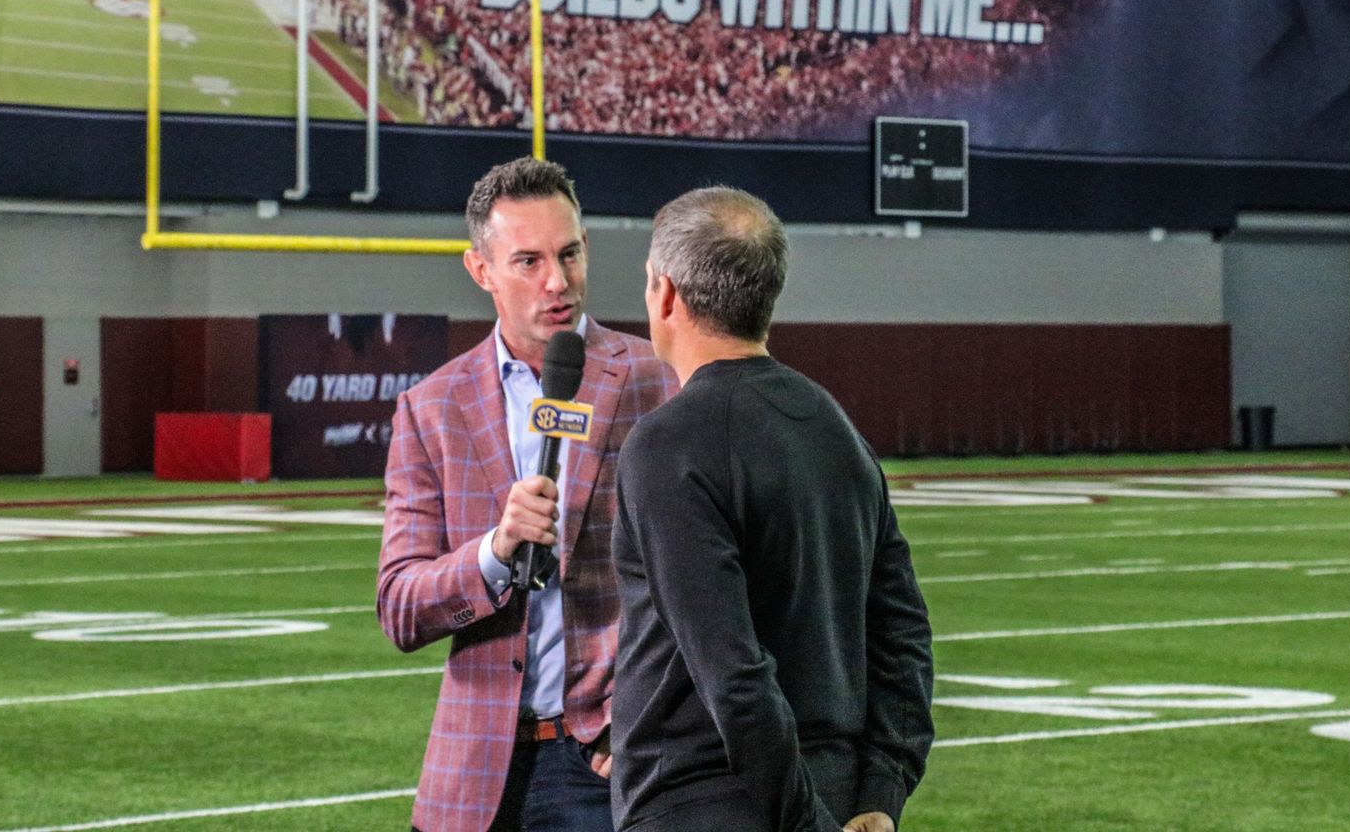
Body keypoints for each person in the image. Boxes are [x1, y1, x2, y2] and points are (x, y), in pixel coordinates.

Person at [612, 187, 934, 832]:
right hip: (838, 795)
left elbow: (734, 677)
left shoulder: (669, 444)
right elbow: (903, 635)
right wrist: (880, 792)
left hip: (711, 800)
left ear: (666, 293)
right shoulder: (834, 427)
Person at [378, 157, 678, 832]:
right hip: (473, 771)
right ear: (481, 270)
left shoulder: (656, 382)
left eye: (569, 254)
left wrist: (637, 720)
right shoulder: (432, 409)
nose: (558, 281)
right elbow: (400, 606)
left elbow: (705, 583)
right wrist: (494, 549)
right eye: (528, 261)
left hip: (605, 766)